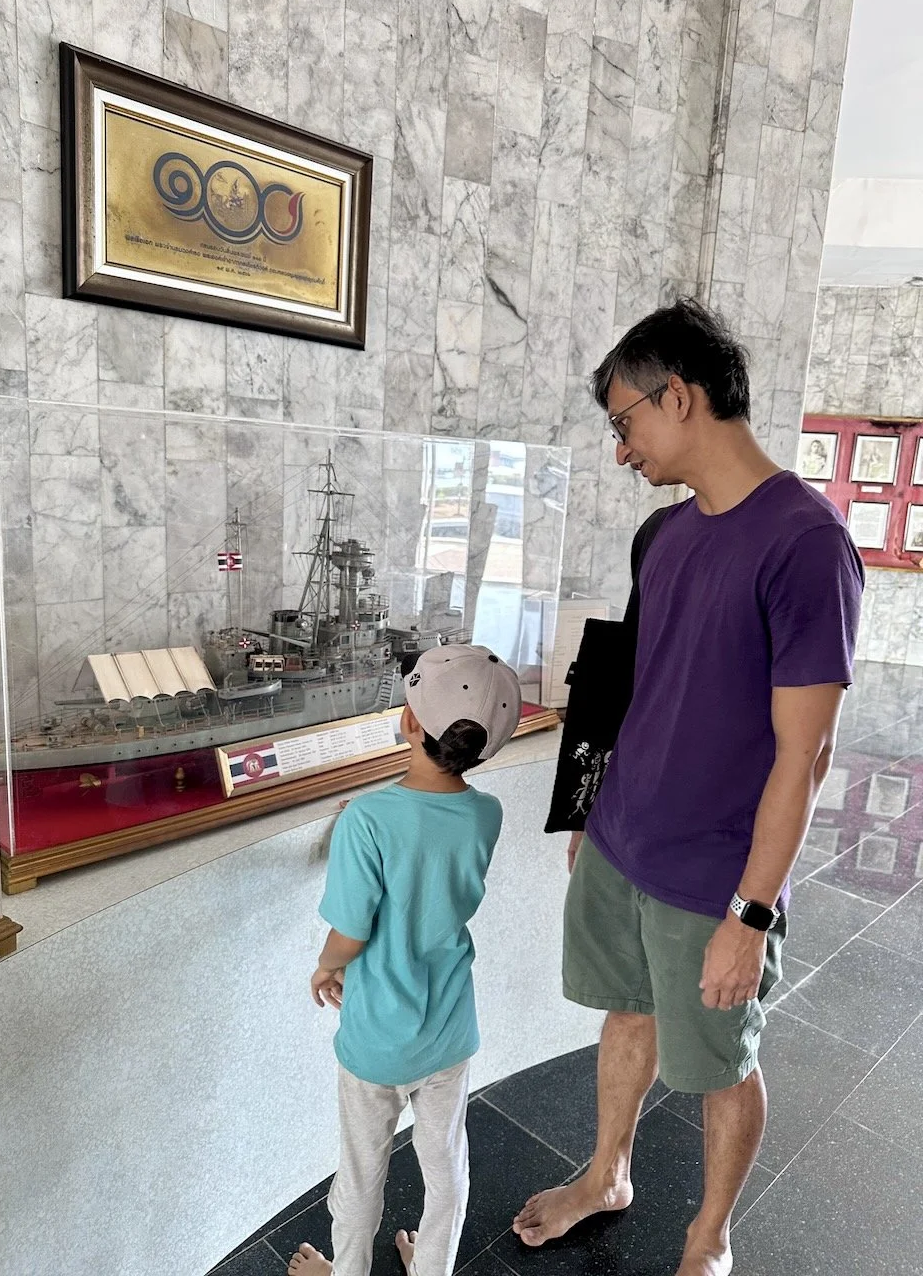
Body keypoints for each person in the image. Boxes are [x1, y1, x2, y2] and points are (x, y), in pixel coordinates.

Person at [512, 299, 864, 1276]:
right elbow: (636, 683)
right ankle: (606, 1174)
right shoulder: (665, 534)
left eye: (624, 420)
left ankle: (709, 1236)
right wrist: (590, 809)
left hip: (714, 874)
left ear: (679, 394)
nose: (621, 447)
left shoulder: (806, 544)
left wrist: (750, 914)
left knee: (720, 1061)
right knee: (625, 1012)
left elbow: (806, 755)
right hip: (623, 839)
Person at [288, 645, 522, 1276]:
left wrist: (325, 966)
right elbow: (430, 839)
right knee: (446, 1167)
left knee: (361, 1174)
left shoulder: (368, 820)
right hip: (450, 1032)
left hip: (377, 1041)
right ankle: (431, 1267)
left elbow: (349, 933)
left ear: (409, 720)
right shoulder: (488, 812)